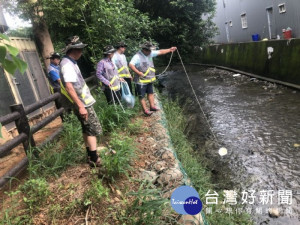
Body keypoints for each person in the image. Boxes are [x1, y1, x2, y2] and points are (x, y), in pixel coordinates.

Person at [60, 36, 102, 167]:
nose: (81, 52)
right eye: (80, 49)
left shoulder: (70, 62)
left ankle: (90, 155)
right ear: (74, 50)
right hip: (82, 103)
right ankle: (95, 159)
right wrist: (81, 106)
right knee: (92, 129)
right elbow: (69, 87)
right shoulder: (67, 65)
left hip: (82, 102)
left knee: (86, 128)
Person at [129, 41, 177, 116]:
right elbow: (131, 65)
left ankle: (152, 107)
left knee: (150, 93)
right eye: (149, 50)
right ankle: (145, 110)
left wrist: (170, 50)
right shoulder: (137, 56)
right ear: (144, 50)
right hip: (141, 81)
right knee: (141, 96)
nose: (151, 51)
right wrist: (138, 73)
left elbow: (160, 51)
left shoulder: (150, 53)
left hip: (149, 79)